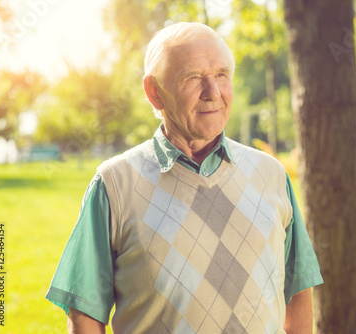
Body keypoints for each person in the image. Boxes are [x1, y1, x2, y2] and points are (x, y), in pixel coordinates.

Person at [46, 22, 323, 334]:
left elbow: (298, 288)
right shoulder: (114, 184)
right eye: (193, 78)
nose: (213, 93)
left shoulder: (271, 174)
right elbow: (85, 313)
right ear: (154, 92)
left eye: (221, 75)